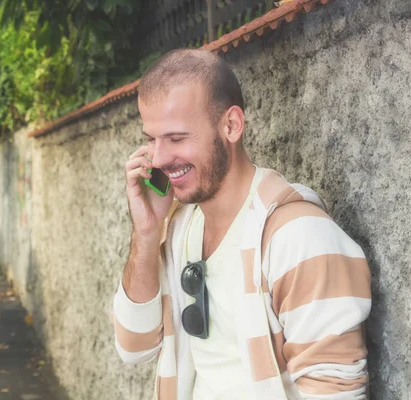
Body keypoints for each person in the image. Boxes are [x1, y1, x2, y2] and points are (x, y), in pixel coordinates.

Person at [113, 49, 372, 400]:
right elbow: (134, 348)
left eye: (176, 138)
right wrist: (146, 232)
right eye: (150, 139)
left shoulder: (299, 237)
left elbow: (334, 392)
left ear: (231, 125)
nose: (158, 158)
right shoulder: (179, 228)